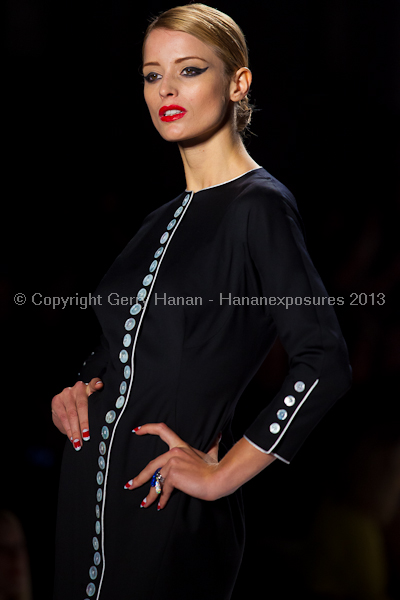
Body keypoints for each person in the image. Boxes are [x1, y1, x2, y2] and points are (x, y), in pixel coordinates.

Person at [51, 4, 352, 599]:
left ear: (237, 82)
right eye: (151, 74)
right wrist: (78, 390)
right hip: (86, 499)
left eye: (188, 70)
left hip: (167, 504)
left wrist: (223, 474)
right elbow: (122, 344)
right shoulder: (157, 221)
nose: (165, 89)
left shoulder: (258, 206)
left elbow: (324, 360)